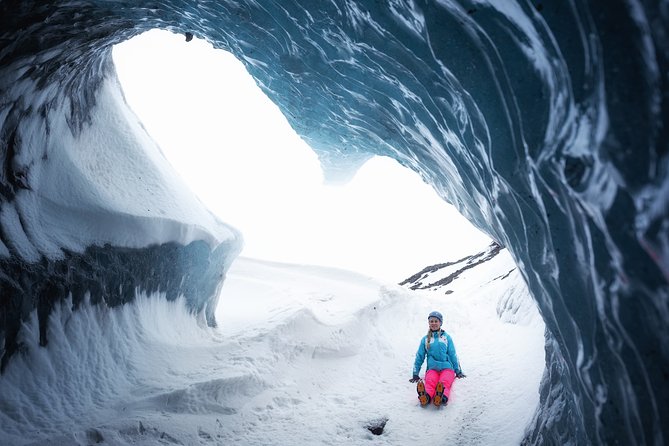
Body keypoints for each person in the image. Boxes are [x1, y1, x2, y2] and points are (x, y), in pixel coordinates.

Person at [409, 311, 465, 407]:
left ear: (440, 323)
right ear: (429, 323)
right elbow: (420, 356)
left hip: (447, 368)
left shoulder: (446, 338)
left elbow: (453, 355)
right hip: (432, 368)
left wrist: (458, 371)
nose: (433, 323)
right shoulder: (425, 339)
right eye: (431, 321)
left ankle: (441, 397)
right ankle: (426, 397)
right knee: (430, 381)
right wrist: (415, 373)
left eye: (436, 321)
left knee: (444, 382)